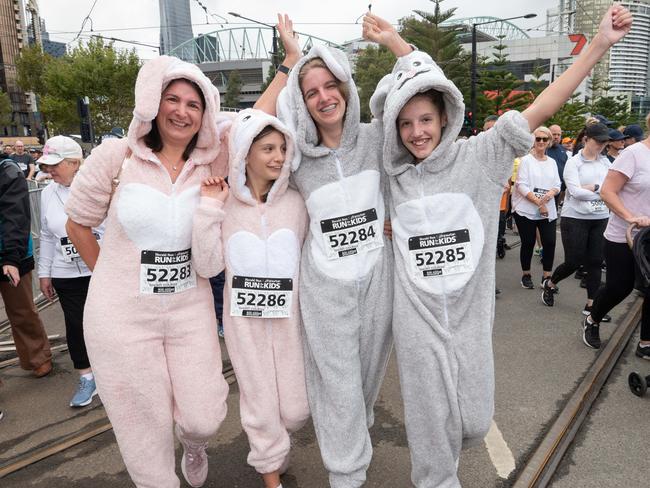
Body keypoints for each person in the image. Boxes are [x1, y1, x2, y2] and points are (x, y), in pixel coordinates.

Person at [366, 5, 631, 486]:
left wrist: (598, 47)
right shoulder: (393, 176)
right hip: (416, 321)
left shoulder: (481, 157)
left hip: (469, 319)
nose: (416, 132)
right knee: (431, 434)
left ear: (445, 116)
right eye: (404, 124)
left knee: (470, 422)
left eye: (425, 119)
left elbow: (543, 106)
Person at [64, 56, 231, 488]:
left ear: (205, 114)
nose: (181, 111)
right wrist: (108, 279)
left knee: (204, 415)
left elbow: (260, 121)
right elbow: (77, 223)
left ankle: (194, 443)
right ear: (153, 105)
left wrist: (287, 66)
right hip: (122, 318)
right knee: (143, 425)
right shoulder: (115, 156)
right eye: (171, 99)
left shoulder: (213, 163)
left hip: (188, 310)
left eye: (193, 104)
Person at [254, 13, 401, 488]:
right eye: (310, 90)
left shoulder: (379, 138)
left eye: (329, 84)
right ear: (302, 100)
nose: (323, 97)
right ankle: (346, 474)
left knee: (363, 384)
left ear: (345, 85)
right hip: (325, 289)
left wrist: (395, 42)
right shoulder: (294, 156)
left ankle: (356, 438)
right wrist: (289, 63)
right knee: (336, 387)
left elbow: (427, 97)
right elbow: (250, 127)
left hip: (379, 281)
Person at [196, 109, 309, 488]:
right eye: (267, 149)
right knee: (259, 404)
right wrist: (210, 208)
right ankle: (270, 476)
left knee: (295, 411)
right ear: (245, 153)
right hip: (244, 325)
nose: (278, 157)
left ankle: (281, 444)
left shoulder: (296, 203)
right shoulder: (224, 205)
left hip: (292, 323)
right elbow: (208, 264)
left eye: (282, 148)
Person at [37, 136, 106, 407]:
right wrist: (45, 273)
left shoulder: (99, 188)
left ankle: (116, 372)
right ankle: (87, 377)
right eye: (46, 165)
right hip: (66, 274)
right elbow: (45, 234)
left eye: (55, 165)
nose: (49, 171)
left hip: (101, 270)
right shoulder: (46, 193)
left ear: (75, 163)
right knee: (76, 327)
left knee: (108, 325)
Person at [582, 112, 650, 351]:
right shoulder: (633, 154)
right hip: (626, 234)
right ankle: (593, 319)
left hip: (649, 236)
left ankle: (645, 342)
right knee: (620, 287)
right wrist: (631, 216)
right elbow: (608, 191)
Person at [541, 123, 612, 320]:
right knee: (574, 261)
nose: (602, 145)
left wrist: (593, 188)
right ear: (586, 139)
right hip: (575, 218)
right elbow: (575, 192)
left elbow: (612, 189)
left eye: (604, 142)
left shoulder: (606, 162)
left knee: (596, 261)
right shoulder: (574, 162)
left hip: (600, 217)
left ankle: (592, 305)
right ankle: (551, 283)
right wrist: (601, 190)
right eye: (598, 141)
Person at [0, 157, 52, 377]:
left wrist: (11, 258)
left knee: (21, 311)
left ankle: (37, 356)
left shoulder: (7, 171)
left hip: (12, 253)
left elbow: (16, 215)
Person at [513, 126, 561, 288]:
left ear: (549, 142)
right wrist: (540, 203)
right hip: (526, 209)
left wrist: (547, 197)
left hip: (548, 208)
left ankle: (547, 276)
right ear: (533, 141)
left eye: (544, 139)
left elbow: (557, 184)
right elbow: (521, 185)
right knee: (528, 242)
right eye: (538, 138)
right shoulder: (526, 160)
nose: (541, 142)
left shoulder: (552, 162)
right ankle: (526, 274)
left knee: (550, 242)